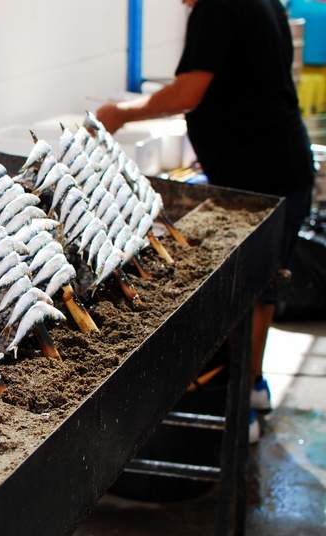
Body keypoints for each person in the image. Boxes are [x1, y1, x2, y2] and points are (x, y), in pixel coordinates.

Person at [96, 0, 314, 442]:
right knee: (262, 287)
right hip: (283, 170)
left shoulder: (218, 7)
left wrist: (120, 114)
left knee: (247, 292)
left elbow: (187, 92)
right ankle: (251, 388)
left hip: (259, 181)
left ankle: (236, 410)